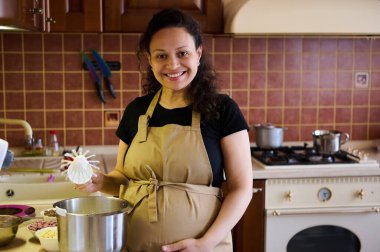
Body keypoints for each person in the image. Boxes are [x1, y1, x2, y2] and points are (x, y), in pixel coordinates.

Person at [77, 8, 253, 252]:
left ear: (198, 54)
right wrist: (100, 181)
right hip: (135, 245)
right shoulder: (136, 111)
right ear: (149, 59)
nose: (172, 64)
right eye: (161, 56)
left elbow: (241, 188)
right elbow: (122, 179)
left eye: (182, 53)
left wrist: (206, 243)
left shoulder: (223, 110)